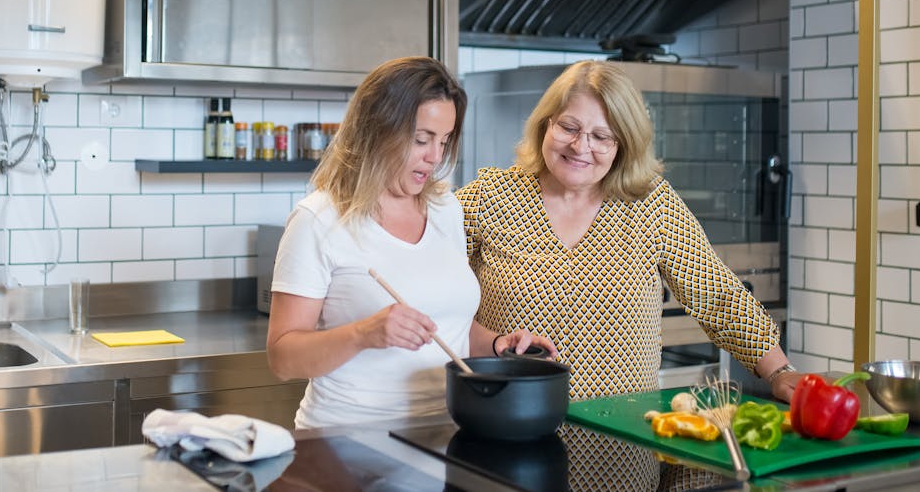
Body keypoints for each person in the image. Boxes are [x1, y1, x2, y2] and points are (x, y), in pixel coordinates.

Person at [456, 60, 801, 404]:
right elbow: (430, 295)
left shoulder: (652, 204)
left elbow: (718, 296)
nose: (580, 146)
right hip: (509, 421)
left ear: (623, 144)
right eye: (568, 127)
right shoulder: (489, 198)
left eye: (601, 136)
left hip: (624, 441)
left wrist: (779, 371)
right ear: (546, 124)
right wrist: (491, 340)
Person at [267, 56, 557, 430]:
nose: (435, 157)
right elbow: (282, 357)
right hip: (347, 442)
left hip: (449, 433)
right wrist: (363, 333)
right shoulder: (319, 220)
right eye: (422, 139)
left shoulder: (445, 209)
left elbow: (449, 327)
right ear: (376, 130)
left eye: (444, 140)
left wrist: (497, 345)